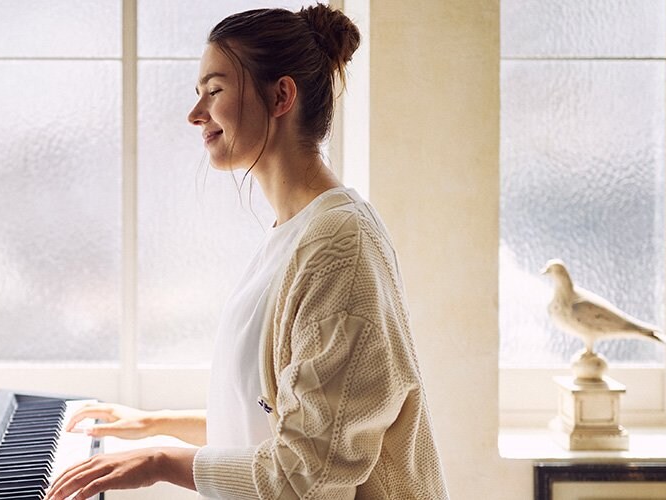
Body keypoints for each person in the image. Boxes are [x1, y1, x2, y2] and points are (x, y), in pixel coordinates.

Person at [45, 4, 448, 499]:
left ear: (281, 95)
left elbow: (307, 478)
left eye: (214, 91)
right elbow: (276, 417)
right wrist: (154, 423)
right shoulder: (295, 234)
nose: (196, 115)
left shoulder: (339, 248)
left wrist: (159, 462)